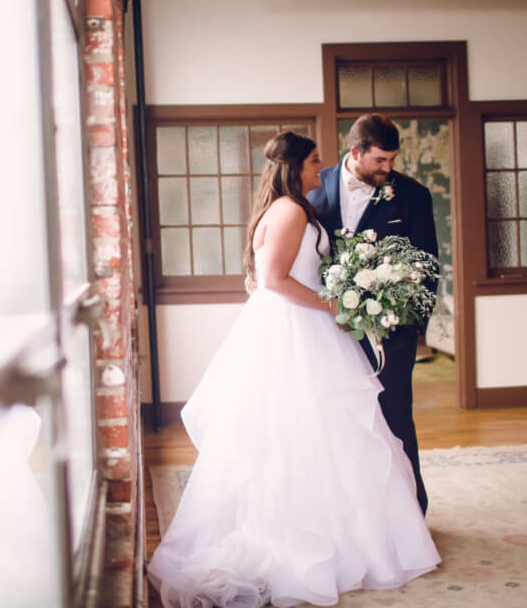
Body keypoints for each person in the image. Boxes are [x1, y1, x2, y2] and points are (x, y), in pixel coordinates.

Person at [147, 131, 439, 608]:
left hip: (307, 325)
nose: (319, 167)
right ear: (296, 166)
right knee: (304, 432)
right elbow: (273, 280)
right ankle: (311, 536)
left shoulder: (295, 205)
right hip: (299, 328)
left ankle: (348, 530)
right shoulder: (289, 210)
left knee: (333, 433)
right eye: (313, 160)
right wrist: (334, 306)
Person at [307, 113, 440, 515]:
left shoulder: (413, 196)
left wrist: (412, 329)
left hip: (389, 331)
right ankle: (351, 515)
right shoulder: (313, 189)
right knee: (338, 420)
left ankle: (411, 512)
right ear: (356, 152)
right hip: (327, 328)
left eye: (392, 160)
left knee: (395, 415)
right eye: (380, 160)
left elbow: (427, 264)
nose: (388, 169)